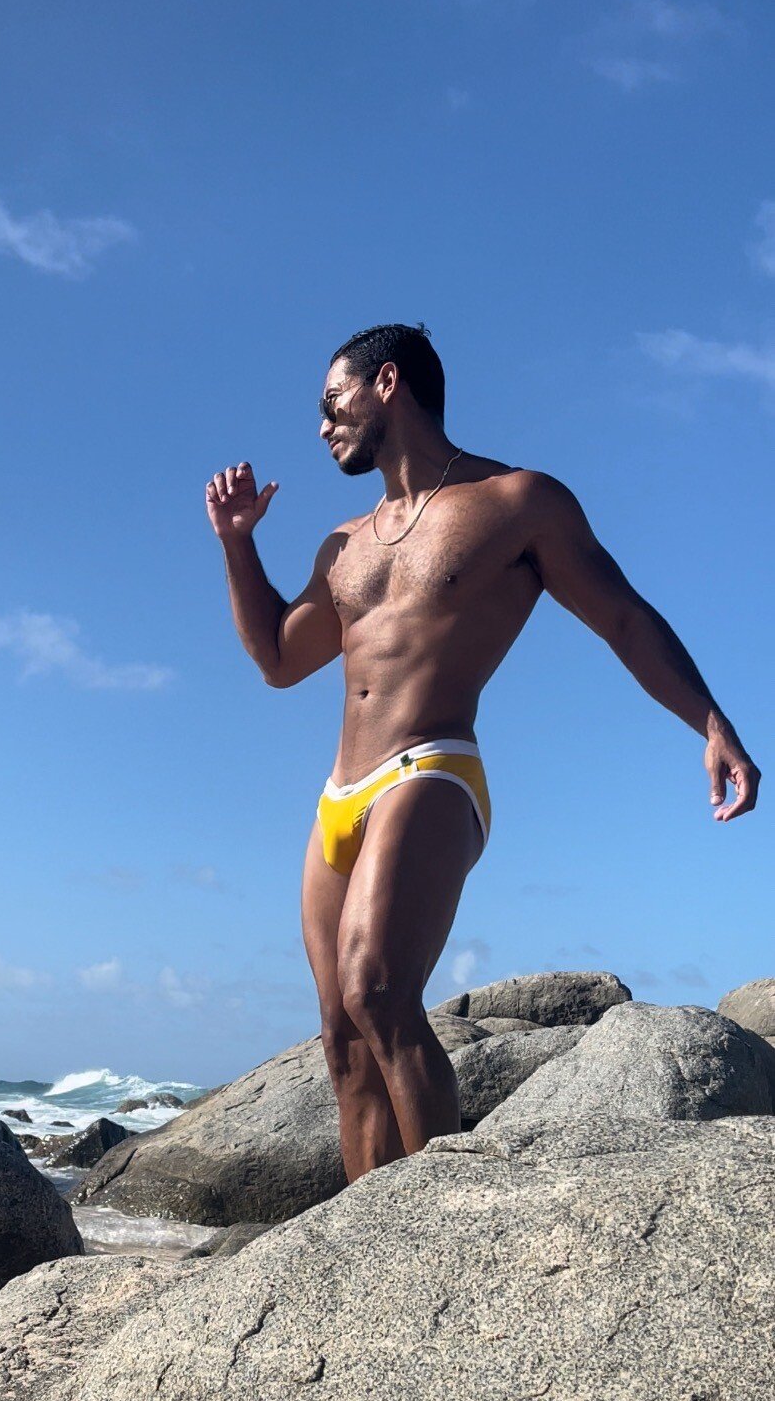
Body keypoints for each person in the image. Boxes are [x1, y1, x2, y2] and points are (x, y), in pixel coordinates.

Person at [205, 322, 760, 1183]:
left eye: (332, 401)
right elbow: (279, 659)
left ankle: (440, 1216)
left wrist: (711, 722)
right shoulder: (344, 543)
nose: (321, 425)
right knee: (342, 1040)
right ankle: (371, 1241)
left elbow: (622, 616)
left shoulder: (517, 503)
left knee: (378, 989)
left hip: (429, 767)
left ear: (387, 383)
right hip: (340, 793)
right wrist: (238, 542)